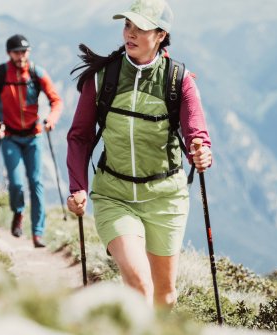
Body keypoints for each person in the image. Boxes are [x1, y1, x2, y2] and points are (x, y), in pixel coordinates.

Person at [66, 0, 212, 308]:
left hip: (166, 198)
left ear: (161, 35)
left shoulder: (178, 79)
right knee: (139, 283)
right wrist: (77, 186)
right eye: (127, 25)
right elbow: (79, 136)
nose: (130, 34)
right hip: (114, 196)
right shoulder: (102, 78)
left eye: (140, 28)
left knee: (165, 298)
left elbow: (195, 131)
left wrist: (202, 151)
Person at [0, 34, 63, 248]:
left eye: (24, 51)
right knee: (16, 184)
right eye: (17, 52)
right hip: (9, 137)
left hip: (34, 135)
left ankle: (37, 233)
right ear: (9, 53)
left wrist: (51, 120)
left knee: (36, 183)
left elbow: (56, 100)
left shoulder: (36, 73)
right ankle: (18, 212)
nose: (21, 55)